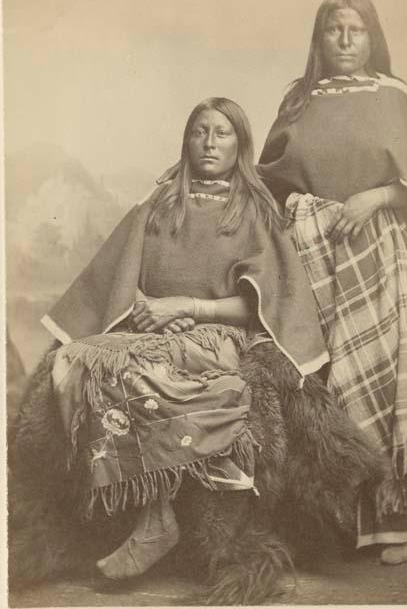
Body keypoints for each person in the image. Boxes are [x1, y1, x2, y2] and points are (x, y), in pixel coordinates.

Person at [41, 97, 328, 581]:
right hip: (151, 324)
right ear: (187, 140)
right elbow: (116, 276)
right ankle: (142, 516)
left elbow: (260, 306)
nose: (210, 142)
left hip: (218, 332)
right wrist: (149, 309)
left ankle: (154, 521)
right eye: (200, 131)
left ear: (241, 144)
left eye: (222, 132)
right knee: (78, 364)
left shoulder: (255, 211)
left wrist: (187, 308)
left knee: (156, 380)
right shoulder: (159, 203)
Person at [258, 0, 407, 565]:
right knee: (326, 383)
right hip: (315, 258)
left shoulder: (396, 99)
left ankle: (393, 516)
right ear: (318, 40)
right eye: (333, 30)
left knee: (384, 373)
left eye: (357, 29)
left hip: (381, 250)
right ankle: (335, 519)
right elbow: (269, 182)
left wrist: (373, 197)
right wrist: (304, 211)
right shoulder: (298, 101)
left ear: (374, 38)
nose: (345, 40)